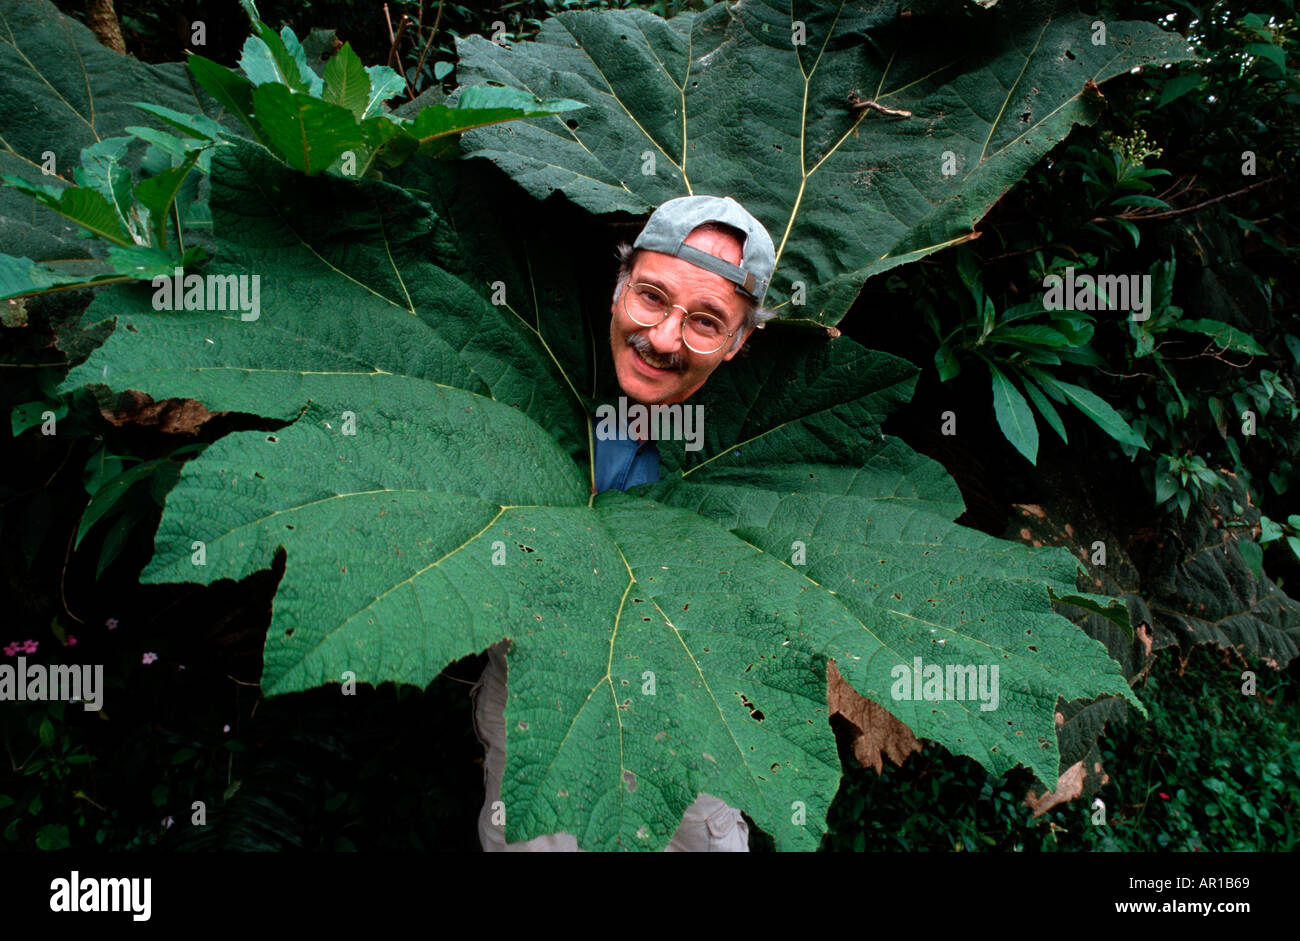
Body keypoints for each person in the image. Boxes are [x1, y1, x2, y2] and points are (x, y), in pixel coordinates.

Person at [471, 194, 777, 851]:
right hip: (539, 696)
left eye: (705, 321)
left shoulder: (762, 442)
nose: (664, 337)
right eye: (651, 297)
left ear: (738, 342)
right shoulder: (523, 376)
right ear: (618, 286)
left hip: (692, 716)